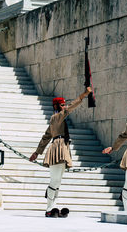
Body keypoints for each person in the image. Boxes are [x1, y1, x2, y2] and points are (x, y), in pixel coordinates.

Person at [30, 87, 92, 217]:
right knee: (54, 180)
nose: (64, 107)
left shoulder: (56, 119)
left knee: (57, 181)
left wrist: (37, 152)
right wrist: (84, 94)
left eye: (64, 105)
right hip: (58, 148)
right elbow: (72, 106)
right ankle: (49, 209)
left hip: (62, 148)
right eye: (62, 105)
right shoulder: (57, 116)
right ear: (57, 106)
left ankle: (53, 207)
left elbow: (46, 136)